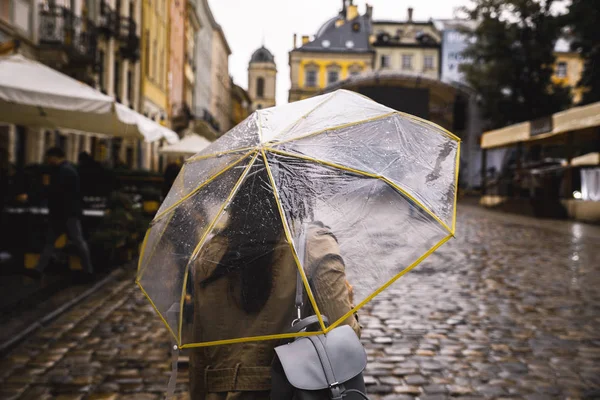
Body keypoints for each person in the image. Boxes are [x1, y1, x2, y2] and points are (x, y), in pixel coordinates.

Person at [188, 166, 359, 399]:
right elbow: (344, 337)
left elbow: (199, 353)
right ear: (297, 193)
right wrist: (348, 302)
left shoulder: (209, 256)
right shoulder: (315, 249)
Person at [34, 147, 94, 277]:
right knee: (54, 242)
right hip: (64, 213)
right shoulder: (64, 170)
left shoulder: (65, 171)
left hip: (66, 214)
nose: (48, 161)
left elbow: (58, 193)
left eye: (49, 158)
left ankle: (88, 270)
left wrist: (46, 186)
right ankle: (38, 269)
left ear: (55, 157)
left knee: (76, 241)